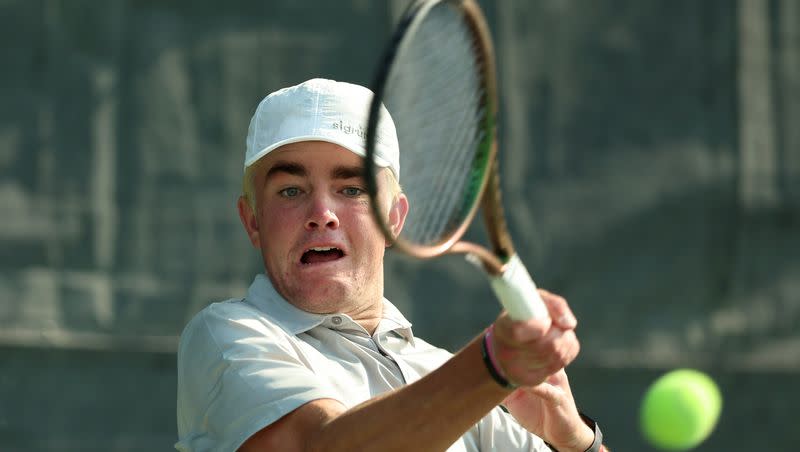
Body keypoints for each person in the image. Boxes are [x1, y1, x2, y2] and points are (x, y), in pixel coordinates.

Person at [175, 78, 608, 452]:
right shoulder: (226, 336)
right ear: (253, 221)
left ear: (395, 219)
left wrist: (574, 440)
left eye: (351, 189)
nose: (322, 212)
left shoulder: (455, 379)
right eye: (290, 190)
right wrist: (492, 366)